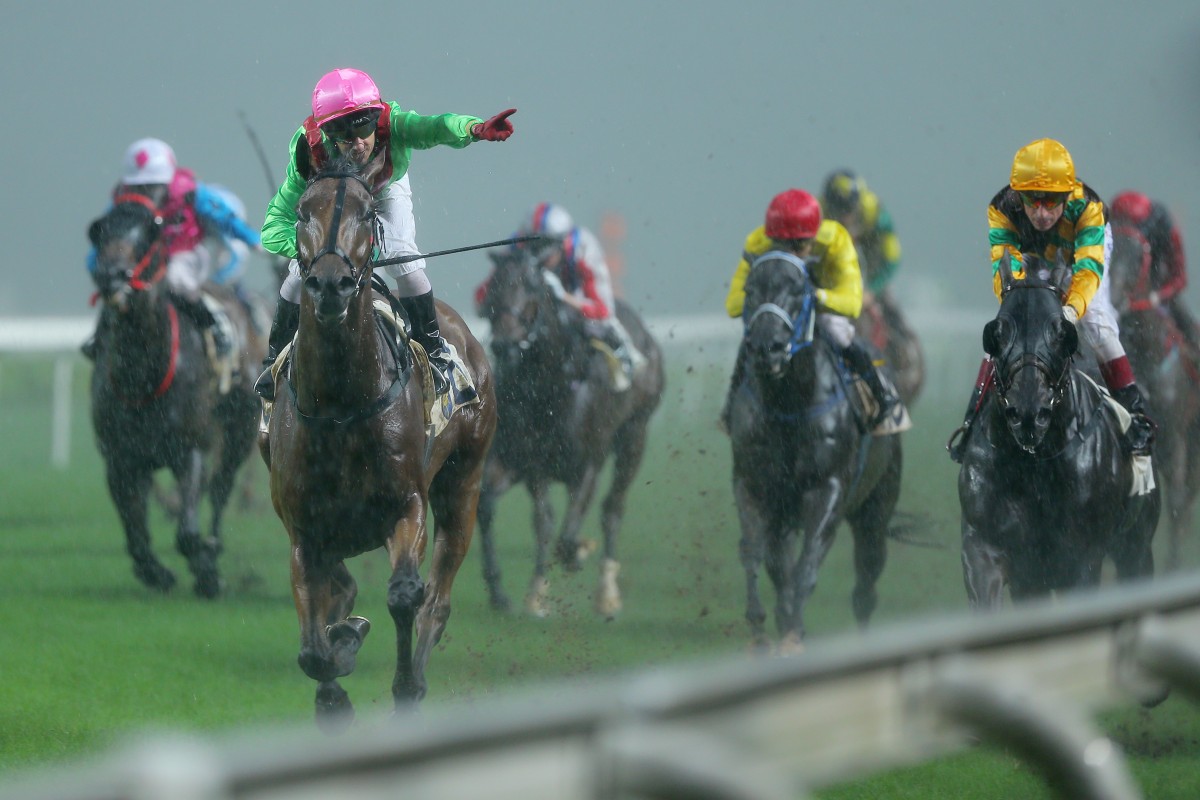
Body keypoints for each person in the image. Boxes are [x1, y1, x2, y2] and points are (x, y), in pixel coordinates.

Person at [256, 67, 516, 399]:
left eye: (364, 124)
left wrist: (474, 128)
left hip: (384, 188)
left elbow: (436, 127)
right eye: (341, 131)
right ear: (325, 132)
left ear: (376, 117)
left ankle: (435, 352)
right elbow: (272, 226)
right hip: (336, 193)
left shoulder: (395, 124)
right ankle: (274, 361)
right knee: (296, 275)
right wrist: (315, 250)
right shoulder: (308, 148)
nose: (357, 141)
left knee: (403, 257)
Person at [947, 138, 1155, 462]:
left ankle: (1137, 418)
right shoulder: (1002, 209)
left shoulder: (1089, 208)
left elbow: (1088, 271)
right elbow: (1004, 271)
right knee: (1003, 335)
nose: (1042, 213)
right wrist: (1017, 308)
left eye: (1052, 202)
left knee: (1099, 324)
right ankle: (971, 422)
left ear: (1066, 195)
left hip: (1081, 258)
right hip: (1033, 260)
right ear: (1019, 195)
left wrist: (1069, 312)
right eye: (1033, 202)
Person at [721, 188, 900, 429]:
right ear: (770, 237)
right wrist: (766, 308)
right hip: (782, 306)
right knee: (755, 336)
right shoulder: (756, 243)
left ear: (812, 239)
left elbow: (852, 303)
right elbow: (733, 305)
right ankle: (731, 406)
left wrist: (816, 297)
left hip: (820, 302)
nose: (790, 252)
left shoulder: (836, 240)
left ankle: (881, 396)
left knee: (838, 331)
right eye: (781, 244)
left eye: (797, 246)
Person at [84, 138, 262, 359]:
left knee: (175, 278)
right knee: (117, 283)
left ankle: (213, 326)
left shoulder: (189, 191)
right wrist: (98, 264)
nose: (146, 193)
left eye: (152, 187)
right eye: (140, 187)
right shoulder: (123, 198)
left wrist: (252, 239)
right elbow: (107, 235)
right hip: (145, 258)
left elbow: (224, 217)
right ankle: (101, 335)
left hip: (184, 253)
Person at [475, 202, 646, 391]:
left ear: (563, 243)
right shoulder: (517, 244)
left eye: (543, 247)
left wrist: (564, 297)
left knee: (599, 327)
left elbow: (603, 311)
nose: (536, 255)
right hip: (535, 307)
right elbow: (481, 297)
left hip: (575, 296)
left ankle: (625, 358)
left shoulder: (584, 250)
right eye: (531, 246)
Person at [1108, 189, 1198, 347]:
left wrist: (1158, 296)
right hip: (1119, 288)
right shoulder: (1114, 237)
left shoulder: (1167, 234)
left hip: (1156, 286)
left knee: (1186, 326)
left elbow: (1180, 279)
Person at [820, 169, 902, 298]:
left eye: (848, 210)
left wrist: (872, 290)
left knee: (885, 297)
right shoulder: (818, 211)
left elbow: (891, 260)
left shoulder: (876, 213)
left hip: (868, 238)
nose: (844, 218)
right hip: (835, 241)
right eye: (837, 210)